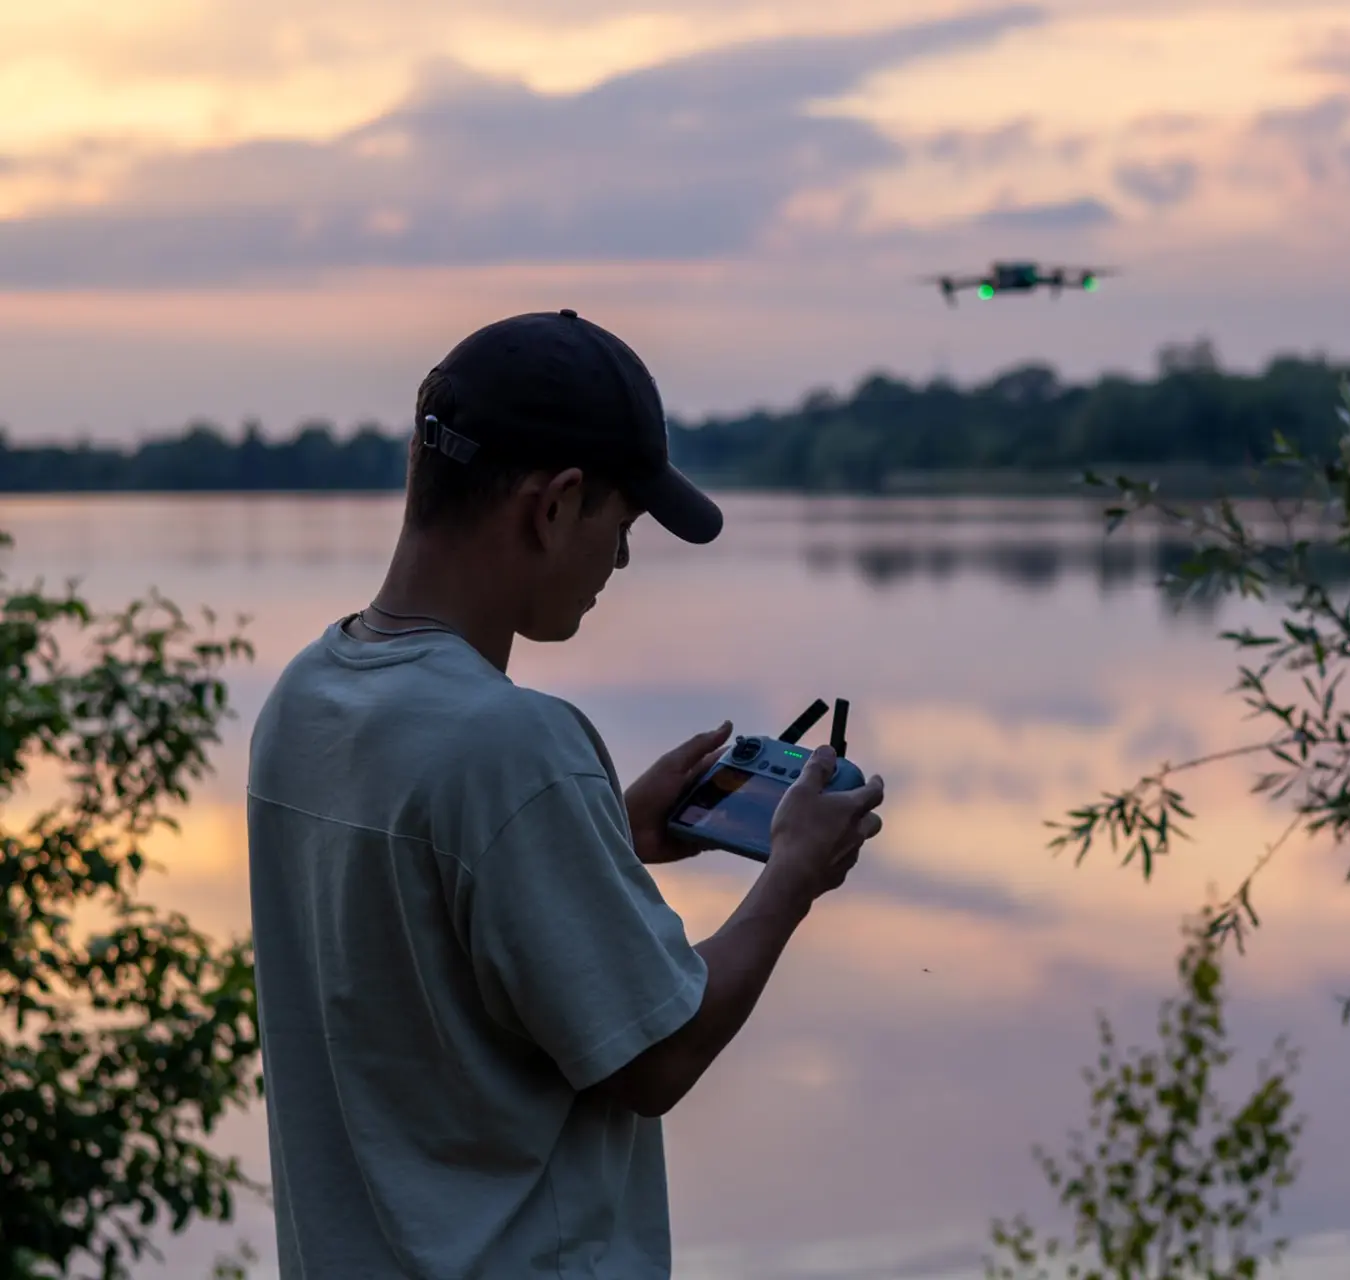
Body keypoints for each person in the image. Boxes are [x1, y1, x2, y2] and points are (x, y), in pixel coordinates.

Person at [245, 309, 885, 1278]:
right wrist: (793, 874)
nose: (621, 563)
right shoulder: (516, 746)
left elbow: (422, 926)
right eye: (621, 527)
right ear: (555, 506)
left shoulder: (306, 696)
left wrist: (609, 834)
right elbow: (657, 1056)